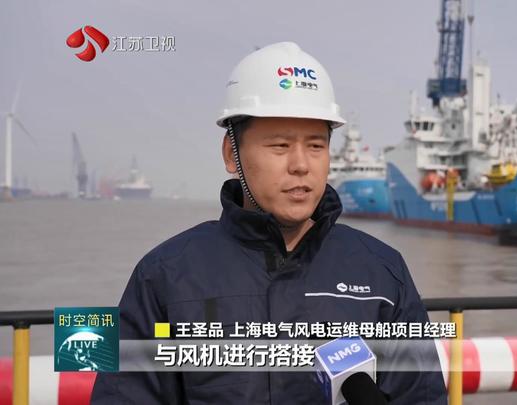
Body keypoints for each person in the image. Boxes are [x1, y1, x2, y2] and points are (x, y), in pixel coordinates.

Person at [90, 41, 447, 404]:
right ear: (232, 154)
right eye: (279, 146)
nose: (301, 165)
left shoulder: (382, 272)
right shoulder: (165, 276)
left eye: (316, 146)